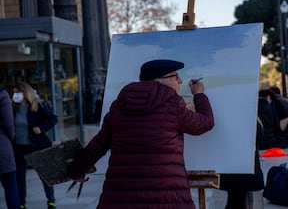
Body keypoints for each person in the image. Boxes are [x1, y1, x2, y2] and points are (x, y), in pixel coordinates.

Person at [66, 59, 215, 208]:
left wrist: (77, 170)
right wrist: (199, 95)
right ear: (158, 80)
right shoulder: (173, 104)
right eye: (175, 76)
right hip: (165, 196)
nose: (180, 81)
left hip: (121, 197)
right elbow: (204, 123)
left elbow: (99, 144)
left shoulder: (119, 105)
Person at [12, 82, 58, 209]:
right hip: (19, 147)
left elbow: (53, 119)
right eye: (14, 92)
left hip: (36, 146)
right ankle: (21, 203)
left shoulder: (37, 105)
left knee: (43, 174)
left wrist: (41, 129)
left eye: (17, 92)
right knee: (20, 177)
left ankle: (51, 201)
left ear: (25, 92)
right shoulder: (13, 108)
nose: (15, 95)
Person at [219, 117, 264, 209]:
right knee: (238, 201)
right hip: (244, 170)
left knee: (236, 201)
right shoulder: (251, 117)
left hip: (236, 170)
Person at [0, 88, 20, 209]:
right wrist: (12, 138)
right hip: (2, 146)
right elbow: (9, 123)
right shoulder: (2, 95)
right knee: (10, 185)